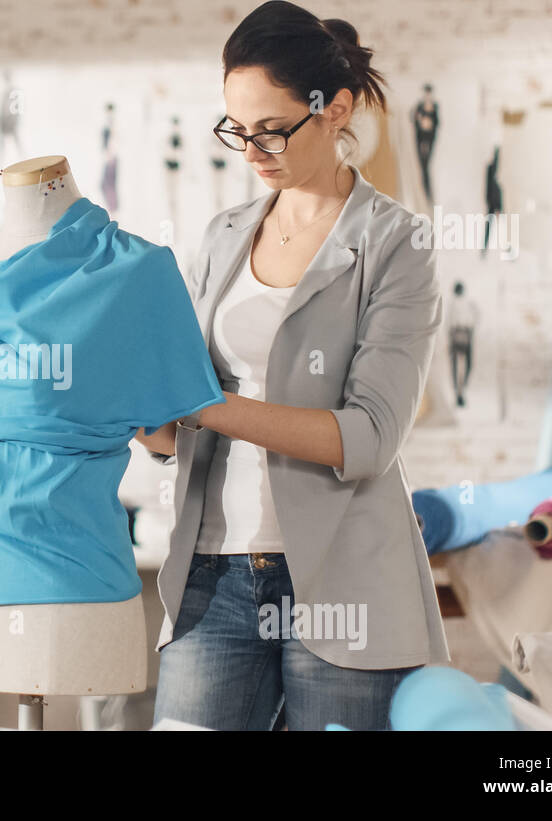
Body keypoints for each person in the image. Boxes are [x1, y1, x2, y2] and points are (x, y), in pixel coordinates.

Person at [138, 0, 449, 730]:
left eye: (272, 129)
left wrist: (201, 403)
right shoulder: (221, 237)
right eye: (236, 131)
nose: (251, 151)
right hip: (213, 575)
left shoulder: (398, 244)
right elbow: (172, 432)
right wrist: (150, 415)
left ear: (335, 109)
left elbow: (368, 437)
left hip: (344, 583)